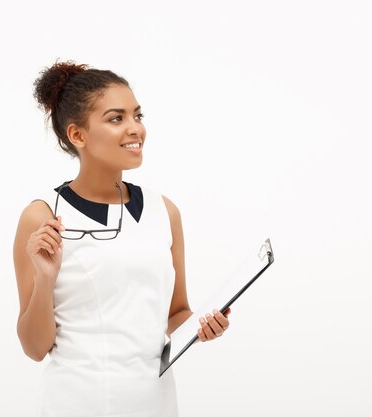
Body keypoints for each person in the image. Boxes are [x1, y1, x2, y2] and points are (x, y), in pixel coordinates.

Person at [12, 59, 231, 417]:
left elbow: (176, 313)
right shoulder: (44, 217)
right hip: (78, 402)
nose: (135, 129)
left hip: (154, 403)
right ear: (77, 135)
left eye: (138, 116)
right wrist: (46, 279)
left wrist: (202, 327)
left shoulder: (164, 211)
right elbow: (35, 348)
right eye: (117, 118)